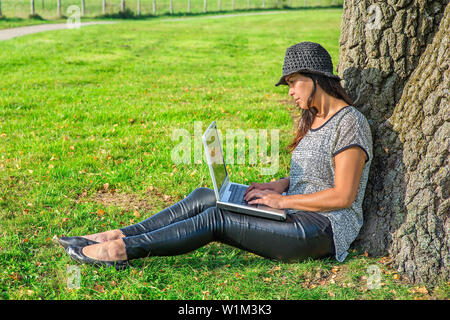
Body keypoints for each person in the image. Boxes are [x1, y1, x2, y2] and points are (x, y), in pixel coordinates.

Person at [60, 41, 373, 270]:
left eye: (293, 83)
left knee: (217, 216)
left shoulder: (350, 123)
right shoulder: (314, 116)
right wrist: (279, 185)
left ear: (315, 77)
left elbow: (343, 195)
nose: (290, 92)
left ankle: (120, 251)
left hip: (322, 230)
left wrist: (284, 201)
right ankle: (117, 235)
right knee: (205, 196)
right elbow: (319, 173)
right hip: (295, 213)